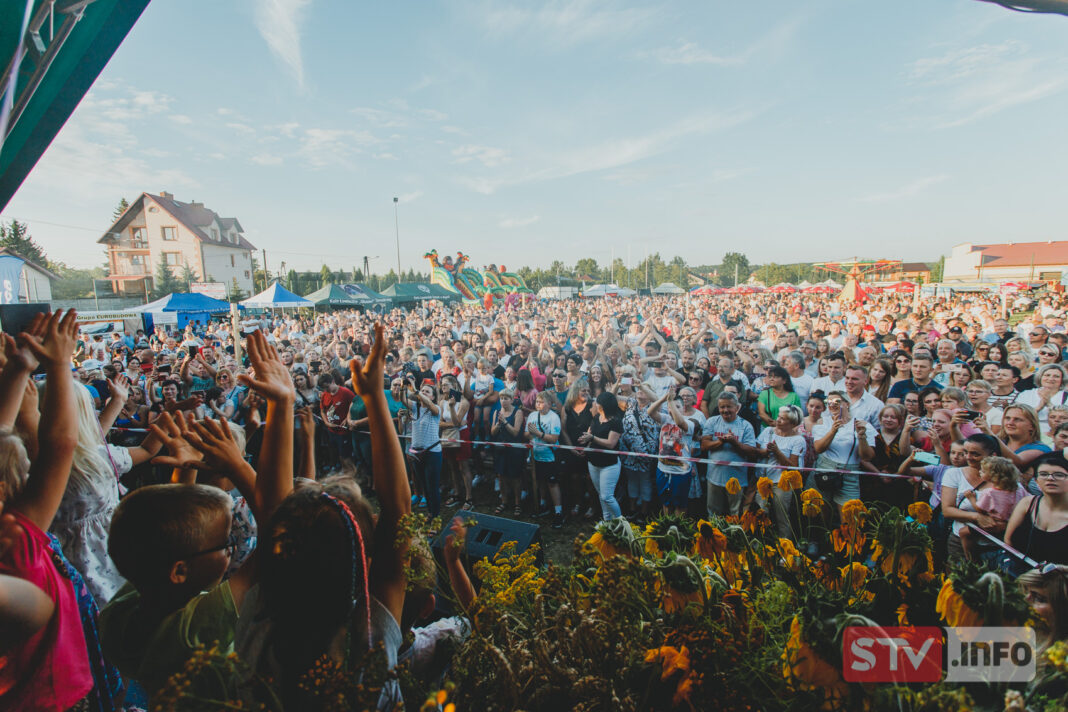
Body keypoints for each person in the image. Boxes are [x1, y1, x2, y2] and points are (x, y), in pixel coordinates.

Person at [101, 328, 294, 698]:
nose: (230, 552)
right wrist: (279, 413)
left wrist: (187, 470)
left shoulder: (123, 611)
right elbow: (280, 529)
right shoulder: (194, 629)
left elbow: (171, 527)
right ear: (180, 571)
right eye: (224, 545)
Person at [0, 311, 91, 712]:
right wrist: (58, 366)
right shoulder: (14, 537)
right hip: (54, 696)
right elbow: (59, 444)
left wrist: (20, 370)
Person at [940, 433, 1003, 562]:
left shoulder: (1007, 480)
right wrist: (978, 517)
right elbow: (947, 510)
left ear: (992, 456)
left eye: (975, 454)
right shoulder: (954, 474)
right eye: (965, 452)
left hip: (994, 544)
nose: (968, 457)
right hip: (959, 542)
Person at [811, 392, 875, 513]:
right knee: (820, 517)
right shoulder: (823, 422)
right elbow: (819, 448)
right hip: (825, 469)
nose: (832, 405)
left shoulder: (862, 424)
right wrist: (833, 430)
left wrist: (862, 437)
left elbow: (867, 457)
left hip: (849, 473)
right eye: (828, 403)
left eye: (836, 401)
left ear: (847, 404)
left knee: (850, 517)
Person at [1005, 452, 1068, 567]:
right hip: (1019, 573)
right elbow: (1008, 540)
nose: (1050, 478)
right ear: (1037, 481)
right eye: (1043, 474)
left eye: (1059, 475)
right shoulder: (1027, 503)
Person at [701, 392, 758, 517]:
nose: (725, 410)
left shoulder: (746, 426)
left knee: (735, 512)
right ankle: (714, 535)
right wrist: (720, 441)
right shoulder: (712, 422)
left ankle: (735, 536)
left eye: (729, 407)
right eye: (722, 407)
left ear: (737, 408)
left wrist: (734, 443)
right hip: (714, 477)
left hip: (737, 479)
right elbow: (704, 445)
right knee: (713, 512)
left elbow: (752, 452)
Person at [958, 456, 1025, 561]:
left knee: (963, 532)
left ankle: (971, 561)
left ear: (994, 476)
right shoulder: (1018, 489)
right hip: (1013, 523)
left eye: (983, 471)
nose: (980, 472)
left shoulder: (990, 493)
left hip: (995, 523)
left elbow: (980, 509)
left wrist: (971, 498)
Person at [754, 405, 806, 539]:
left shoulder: (798, 440)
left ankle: (785, 546)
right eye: (778, 416)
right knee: (761, 513)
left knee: (782, 515)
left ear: (793, 423)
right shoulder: (768, 431)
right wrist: (765, 452)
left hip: (782, 483)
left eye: (783, 419)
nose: (778, 420)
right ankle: (763, 543)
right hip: (763, 480)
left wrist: (777, 452)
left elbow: (793, 466)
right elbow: (755, 450)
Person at [578, 392, 624, 521]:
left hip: (609, 465)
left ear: (603, 405)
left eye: (597, 402)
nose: (595, 404)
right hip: (593, 463)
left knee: (607, 496)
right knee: (600, 494)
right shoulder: (596, 418)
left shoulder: (616, 422)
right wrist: (586, 445)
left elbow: (610, 444)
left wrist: (592, 437)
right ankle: (607, 521)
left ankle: (620, 522)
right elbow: (590, 435)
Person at [526, 391, 563, 528]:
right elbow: (526, 434)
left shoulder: (554, 417)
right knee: (540, 480)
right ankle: (543, 504)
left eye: (541, 402)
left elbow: (554, 438)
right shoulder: (532, 415)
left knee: (552, 483)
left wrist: (538, 433)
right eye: (536, 402)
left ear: (549, 404)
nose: (538, 404)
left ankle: (558, 511)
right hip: (536, 455)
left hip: (550, 456)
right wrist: (531, 433)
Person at [407, 379, 442, 518]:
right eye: (422, 391)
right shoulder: (415, 407)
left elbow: (429, 405)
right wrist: (404, 386)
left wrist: (416, 390)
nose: (423, 393)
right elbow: (403, 399)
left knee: (432, 486)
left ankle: (435, 515)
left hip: (432, 453)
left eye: (427, 392)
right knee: (424, 486)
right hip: (416, 453)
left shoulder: (436, 409)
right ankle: (430, 512)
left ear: (433, 397)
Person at [490, 389, 525, 516]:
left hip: (514, 449)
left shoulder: (518, 412)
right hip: (500, 449)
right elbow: (492, 432)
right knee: (501, 476)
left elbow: (516, 433)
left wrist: (505, 422)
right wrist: (498, 425)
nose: (503, 401)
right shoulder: (497, 412)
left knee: (515, 478)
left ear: (511, 399)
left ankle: (517, 504)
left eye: (506, 398)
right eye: (501, 398)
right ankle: (504, 502)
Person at [1016, 363, 1068, 433]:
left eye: (1056, 376)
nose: (1051, 379)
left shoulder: (1066, 396)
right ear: (1040, 377)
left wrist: (1049, 404)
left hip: (1057, 433)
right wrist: (1039, 407)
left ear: (1062, 380)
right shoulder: (1026, 394)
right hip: (1028, 431)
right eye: (1047, 375)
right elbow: (1017, 416)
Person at [755, 365, 800, 429]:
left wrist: (785, 426)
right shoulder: (764, 394)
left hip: (788, 430)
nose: (771, 379)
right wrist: (775, 424)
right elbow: (762, 413)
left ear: (784, 380)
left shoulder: (793, 396)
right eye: (770, 377)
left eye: (775, 377)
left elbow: (797, 415)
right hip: (768, 429)